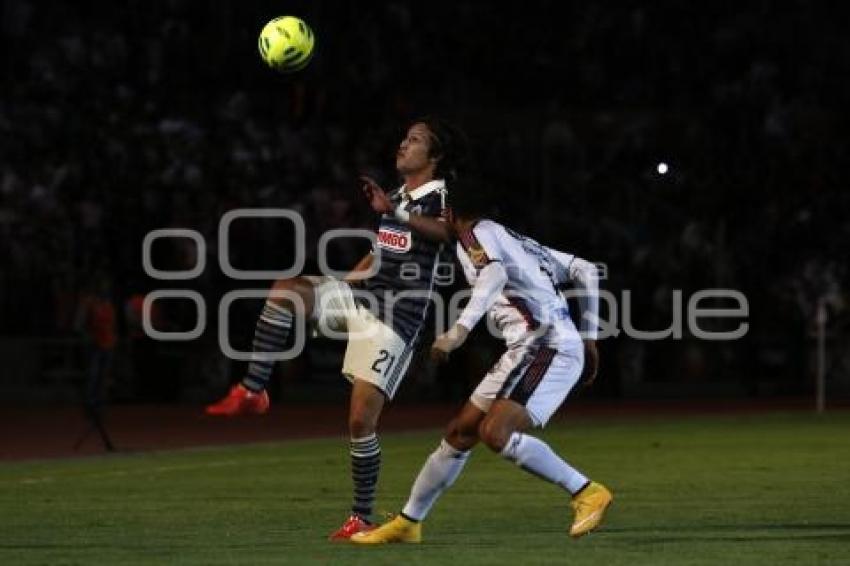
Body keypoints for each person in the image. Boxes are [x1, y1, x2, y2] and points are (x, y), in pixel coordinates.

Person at [204, 117, 467, 540]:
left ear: (434, 156)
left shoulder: (442, 197)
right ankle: (253, 391)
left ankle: (361, 517)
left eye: (415, 140)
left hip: (396, 319)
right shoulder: (397, 195)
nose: (403, 144)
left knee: (361, 420)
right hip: (363, 299)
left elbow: (447, 234)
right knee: (288, 288)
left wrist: (393, 210)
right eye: (404, 137)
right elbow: (379, 251)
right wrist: (340, 285)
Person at [351, 197, 612, 544]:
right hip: (531, 348)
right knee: (461, 432)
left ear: (451, 213)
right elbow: (586, 269)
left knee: (495, 433)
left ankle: (586, 491)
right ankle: (408, 522)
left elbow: (494, 274)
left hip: (547, 347)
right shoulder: (516, 239)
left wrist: (457, 332)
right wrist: (590, 336)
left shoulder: (473, 235)